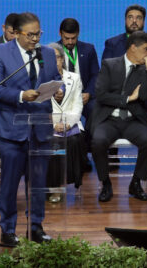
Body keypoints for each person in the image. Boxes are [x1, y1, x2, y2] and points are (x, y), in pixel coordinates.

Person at [0, 12, 62, 246]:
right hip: (10, 130)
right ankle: (7, 229)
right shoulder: (0, 52)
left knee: (38, 182)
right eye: (30, 34)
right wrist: (21, 95)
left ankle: (36, 227)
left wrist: (60, 91)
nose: (35, 39)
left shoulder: (48, 53)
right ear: (16, 33)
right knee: (10, 182)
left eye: (38, 33)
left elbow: (57, 78)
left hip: (39, 128)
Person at [90, 31, 147, 203]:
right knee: (98, 141)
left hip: (132, 120)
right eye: (146, 50)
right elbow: (101, 95)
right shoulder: (109, 65)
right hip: (109, 119)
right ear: (133, 47)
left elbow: (146, 99)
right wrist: (128, 99)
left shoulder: (145, 70)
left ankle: (135, 183)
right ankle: (106, 183)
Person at [55, 18, 99, 170]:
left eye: (73, 38)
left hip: (83, 96)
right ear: (60, 34)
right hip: (61, 98)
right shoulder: (52, 51)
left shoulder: (88, 49)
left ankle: (84, 151)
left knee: (95, 110)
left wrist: (89, 93)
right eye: (66, 38)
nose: (70, 41)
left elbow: (95, 75)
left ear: (78, 34)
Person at [45, 42, 86, 201]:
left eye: (56, 58)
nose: (54, 61)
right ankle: (53, 186)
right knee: (54, 141)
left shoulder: (74, 78)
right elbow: (41, 106)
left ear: (62, 59)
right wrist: (55, 125)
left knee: (75, 140)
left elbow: (77, 105)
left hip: (71, 123)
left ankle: (62, 184)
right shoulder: (41, 80)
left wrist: (68, 124)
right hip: (49, 125)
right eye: (49, 58)